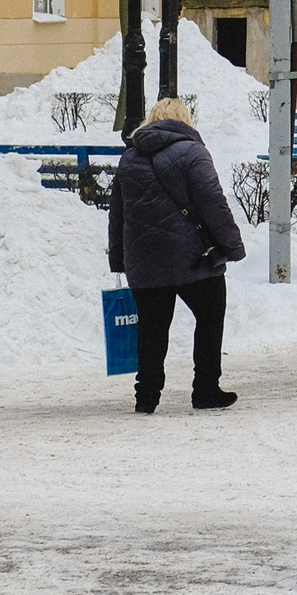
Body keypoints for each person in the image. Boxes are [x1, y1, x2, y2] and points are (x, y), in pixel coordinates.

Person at [107, 96, 246, 413]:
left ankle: (146, 397)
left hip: (144, 261)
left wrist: (119, 260)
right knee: (210, 318)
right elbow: (213, 201)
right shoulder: (193, 151)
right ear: (184, 120)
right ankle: (206, 390)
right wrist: (232, 246)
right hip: (193, 258)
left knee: (151, 329)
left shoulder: (129, 158)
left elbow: (118, 215)